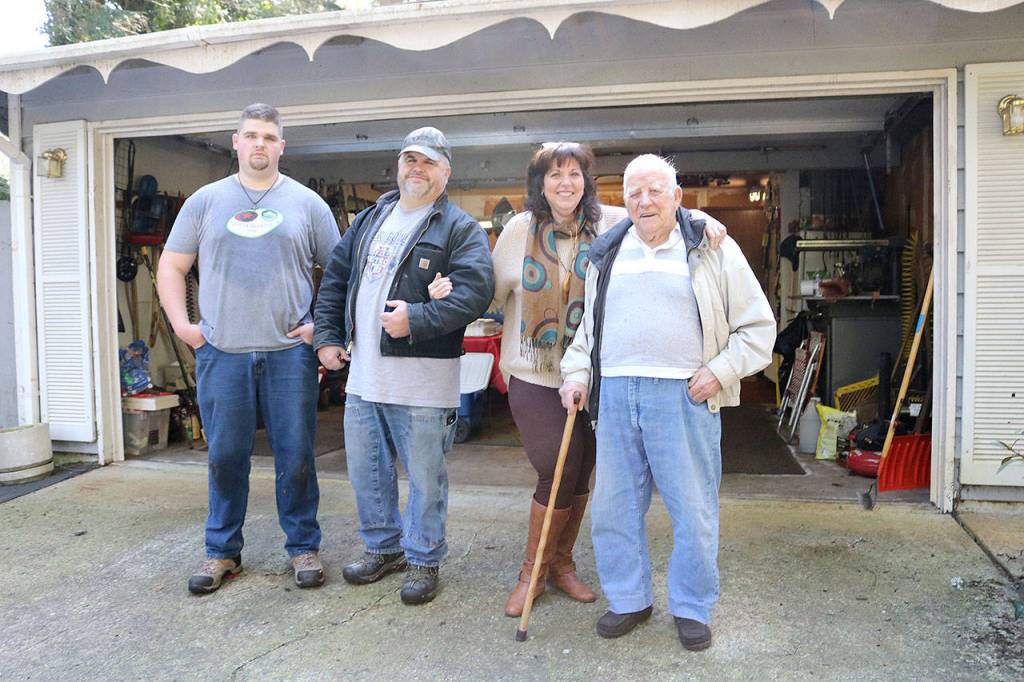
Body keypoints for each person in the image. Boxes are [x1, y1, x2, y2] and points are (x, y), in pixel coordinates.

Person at [453, 142, 725, 617]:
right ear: (540, 183)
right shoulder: (519, 229)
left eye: (575, 174)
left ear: (587, 182)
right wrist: (449, 291)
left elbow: (657, 207)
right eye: (554, 175)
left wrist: (704, 222)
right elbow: (489, 292)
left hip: (593, 375)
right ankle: (531, 573)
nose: (565, 183)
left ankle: (561, 564)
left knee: (580, 472)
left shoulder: (608, 221)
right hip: (535, 374)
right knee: (554, 469)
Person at [559, 154, 775, 650]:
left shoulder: (711, 248)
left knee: (693, 509)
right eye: (634, 192)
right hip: (614, 394)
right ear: (624, 202)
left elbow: (759, 329)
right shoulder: (608, 254)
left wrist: (718, 372)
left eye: (656, 190)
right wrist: (576, 375)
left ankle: (692, 606)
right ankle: (629, 599)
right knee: (614, 509)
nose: (644, 200)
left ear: (677, 198)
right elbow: (588, 333)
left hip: (684, 397)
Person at [158, 103, 339, 594]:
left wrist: (321, 330)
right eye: (251, 135)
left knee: (296, 453)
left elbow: (340, 274)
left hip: (289, 354)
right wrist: (183, 326)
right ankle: (221, 552)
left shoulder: (307, 204)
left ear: (282, 146)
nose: (260, 144)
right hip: (223, 352)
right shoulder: (204, 201)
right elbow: (172, 266)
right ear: (235, 142)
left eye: (269, 137)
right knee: (225, 455)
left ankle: (303, 545)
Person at [313, 127, 494, 605]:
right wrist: (328, 337)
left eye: (428, 161)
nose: (417, 168)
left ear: (446, 170)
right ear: (398, 165)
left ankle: (424, 557)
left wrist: (414, 319)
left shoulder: (458, 228)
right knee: (367, 472)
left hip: (423, 384)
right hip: (364, 378)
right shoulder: (371, 218)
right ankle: (382, 548)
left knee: (425, 477)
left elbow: (476, 292)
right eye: (410, 159)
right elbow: (335, 278)